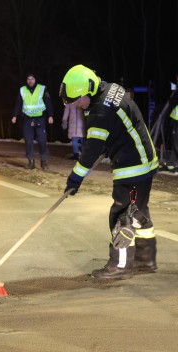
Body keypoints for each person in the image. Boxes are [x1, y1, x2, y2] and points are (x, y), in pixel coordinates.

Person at [60, 64, 158, 279]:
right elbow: (113, 129)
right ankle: (146, 259)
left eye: (78, 100)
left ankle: (120, 266)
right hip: (145, 160)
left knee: (121, 215)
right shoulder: (110, 89)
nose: (77, 105)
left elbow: (90, 151)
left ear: (88, 91)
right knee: (137, 211)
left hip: (132, 166)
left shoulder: (99, 111)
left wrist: (75, 179)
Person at [11, 73, 54, 170]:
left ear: (35, 80)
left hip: (40, 118)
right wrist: (14, 115)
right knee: (28, 140)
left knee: (42, 140)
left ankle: (43, 162)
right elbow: (18, 103)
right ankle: (31, 162)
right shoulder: (22, 90)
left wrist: (51, 115)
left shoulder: (42, 88)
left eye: (32, 79)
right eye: (28, 79)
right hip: (27, 119)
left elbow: (48, 102)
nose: (30, 81)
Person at [161, 76, 178, 172]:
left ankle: (171, 164)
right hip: (175, 121)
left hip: (176, 121)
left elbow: (173, 102)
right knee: (175, 143)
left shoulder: (176, 92)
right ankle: (171, 164)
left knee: (176, 143)